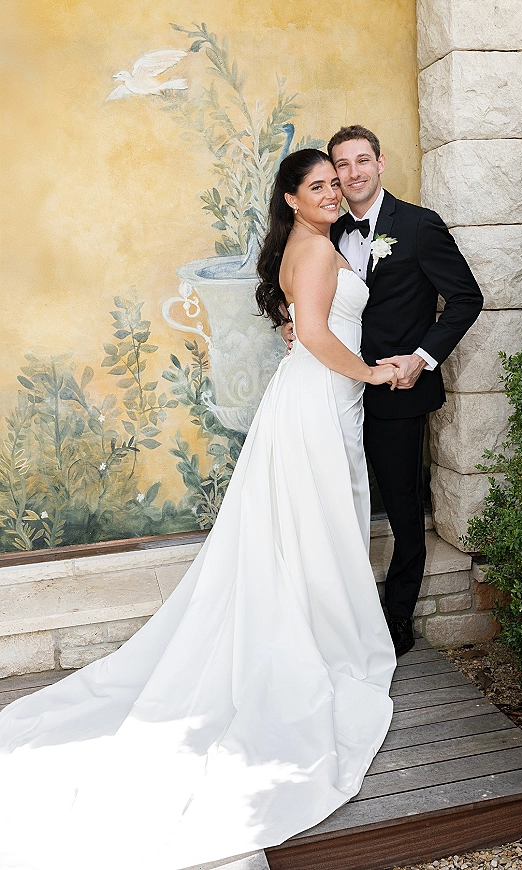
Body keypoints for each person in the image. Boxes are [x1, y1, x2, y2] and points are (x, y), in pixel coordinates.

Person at [0, 150, 398, 870]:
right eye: (318, 187)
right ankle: (319, 642)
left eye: (335, 183)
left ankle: (316, 622)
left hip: (320, 401)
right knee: (319, 526)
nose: (333, 193)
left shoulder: (313, 245)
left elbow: (306, 327)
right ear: (291, 198)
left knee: (315, 529)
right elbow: (311, 334)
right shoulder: (312, 249)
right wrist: (372, 370)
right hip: (315, 403)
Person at [284, 126, 483, 657]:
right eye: (340, 166)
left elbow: (466, 299)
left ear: (381, 162)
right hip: (335, 391)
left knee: (400, 506)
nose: (351, 174)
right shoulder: (324, 227)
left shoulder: (419, 226)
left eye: (361, 161)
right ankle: (334, 615)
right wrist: (296, 324)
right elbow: (318, 303)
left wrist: (420, 359)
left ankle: (396, 620)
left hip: (397, 391)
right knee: (335, 504)